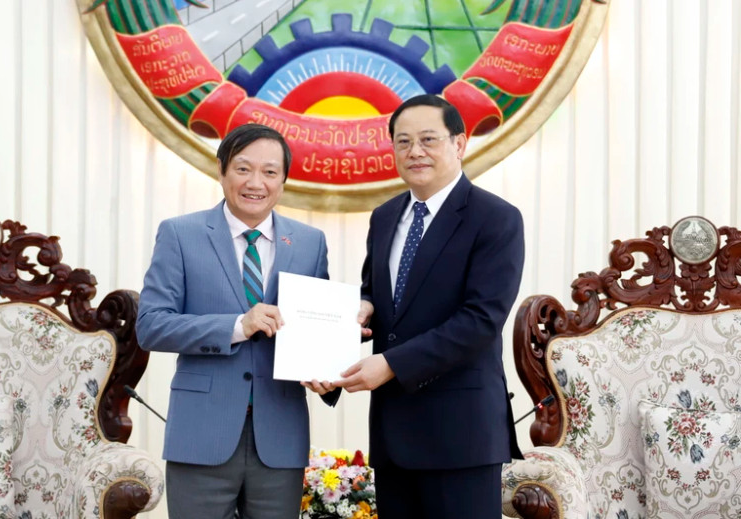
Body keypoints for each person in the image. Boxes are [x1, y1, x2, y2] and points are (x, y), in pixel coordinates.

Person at [335, 94, 525, 518]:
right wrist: (363, 308)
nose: (414, 152)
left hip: (461, 433)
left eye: (427, 139)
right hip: (392, 434)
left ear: (459, 144)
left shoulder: (496, 218)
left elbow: (481, 321)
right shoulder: (384, 217)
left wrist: (391, 364)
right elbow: (379, 293)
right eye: (403, 142)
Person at [136, 123, 339, 519]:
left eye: (269, 172)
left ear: (283, 180)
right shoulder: (180, 234)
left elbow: (317, 328)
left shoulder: (310, 242)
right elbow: (151, 325)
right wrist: (236, 326)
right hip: (201, 433)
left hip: (280, 436)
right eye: (243, 169)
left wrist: (328, 371)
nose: (255, 183)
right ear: (222, 170)